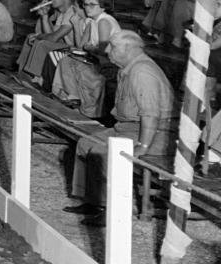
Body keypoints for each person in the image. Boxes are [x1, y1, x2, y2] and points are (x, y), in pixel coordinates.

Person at [64, 30, 174, 227]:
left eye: (112, 46)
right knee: (84, 144)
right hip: (127, 127)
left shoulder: (142, 72)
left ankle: (110, 210)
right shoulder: (129, 68)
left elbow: (150, 114)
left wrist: (143, 145)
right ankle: (93, 202)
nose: (107, 50)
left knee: (103, 153)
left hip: (155, 132)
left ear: (129, 49)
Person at [52, 0, 122, 117]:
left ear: (102, 6)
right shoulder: (93, 21)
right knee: (66, 60)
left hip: (111, 63)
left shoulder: (104, 21)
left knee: (79, 67)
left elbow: (103, 50)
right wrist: (87, 47)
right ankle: (73, 98)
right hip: (100, 59)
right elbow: (86, 45)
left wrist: (89, 47)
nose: (87, 8)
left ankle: (89, 109)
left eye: (92, 5)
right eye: (85, 5)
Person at [15, 0, 85, 87]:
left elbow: (53, 38)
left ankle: (36, 78)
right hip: (66, 47)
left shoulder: (72, 13)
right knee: (31, 38)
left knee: (42, 43)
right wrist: (44, 16)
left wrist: (39, 36)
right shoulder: (63, 14)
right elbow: (51, 35)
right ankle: (23, 73)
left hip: (76, 50)